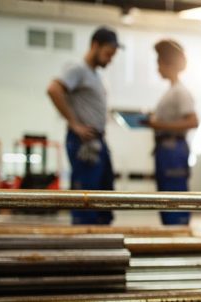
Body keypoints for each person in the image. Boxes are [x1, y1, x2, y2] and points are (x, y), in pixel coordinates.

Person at [47, 26, 121, 225]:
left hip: (98, 141)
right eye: (107, 54)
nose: (110, 59)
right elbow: (54, 89)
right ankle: (85, 245)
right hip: (84, 143)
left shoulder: (96, 75)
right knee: (86, 199)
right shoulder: (78, 69)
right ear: (95, 45)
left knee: (104, 199)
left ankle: (103, 245)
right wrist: (74, 123)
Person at [143, 39, 198, 225]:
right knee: (167, 199)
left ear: (167, 64)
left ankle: (179, 238)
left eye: (158, 62)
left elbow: (192, 121)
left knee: (175, 199)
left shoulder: (180, 92)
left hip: (173, 150)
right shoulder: (171, 91)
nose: (157, 67)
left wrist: (159, 125)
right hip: (166, 151)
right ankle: (172, 235)